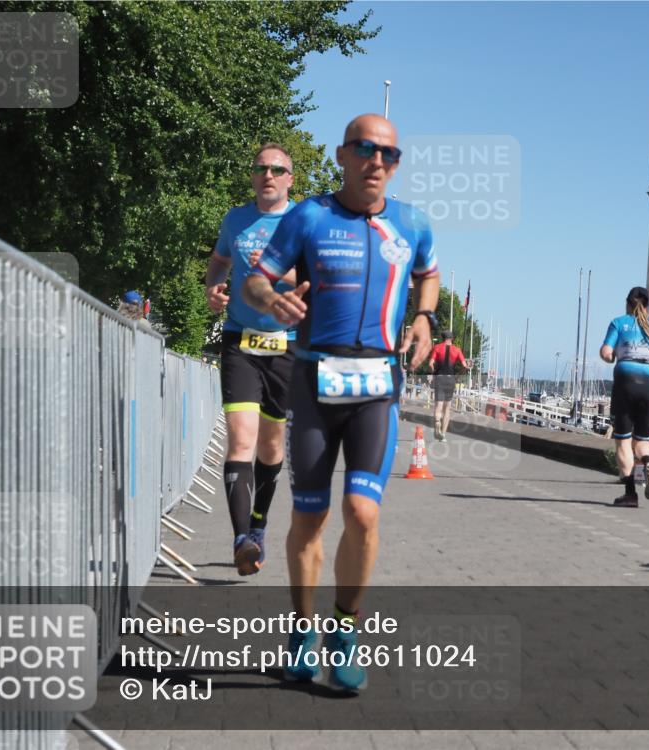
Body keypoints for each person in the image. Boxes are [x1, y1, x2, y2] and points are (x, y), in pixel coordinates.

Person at [243, 113, 439, 692]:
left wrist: (425, 316)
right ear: (342, 155)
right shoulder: (310, 216)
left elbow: (428, 273)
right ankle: (302, 631)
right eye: (365, 149)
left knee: (363, 512)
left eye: (389, 154)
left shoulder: (412, 223)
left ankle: (345, 632)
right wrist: (271, 299)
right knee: (310, 515)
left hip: (377, 387)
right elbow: (258, 279)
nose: (377, 161)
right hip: (314, 381)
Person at [204, 143, 298, 576]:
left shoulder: (304, 222)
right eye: (261, 169)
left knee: (271, 445)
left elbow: (320, 276)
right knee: (241, 439)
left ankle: (259, 522)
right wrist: (214, 287)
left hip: (286, 344)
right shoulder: (235, 219)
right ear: (253, 176)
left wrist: (280, 273)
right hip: (240, 339)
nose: (269, 175)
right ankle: (243, 539)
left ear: (289, 179)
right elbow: (220, 260)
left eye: (278, 169)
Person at [599, 286, 649, 508]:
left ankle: (630, 494)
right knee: (642, 440)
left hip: (626, 381)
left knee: (623, 440)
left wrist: (613, 356)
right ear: (647, 305)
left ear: (628, 303)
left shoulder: (619, 323)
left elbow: (606, 352)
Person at [428, 329, 469, 441]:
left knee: (438, 406)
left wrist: (433, 371)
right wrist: (459, 374)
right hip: (450, 379)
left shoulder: (437, 348)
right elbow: (465, 366)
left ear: (443, 338)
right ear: (452, 339)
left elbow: (430, 363)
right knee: (447, 408)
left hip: (439, 378)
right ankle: (443, 435)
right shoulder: (457, 350)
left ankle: (437, 421)